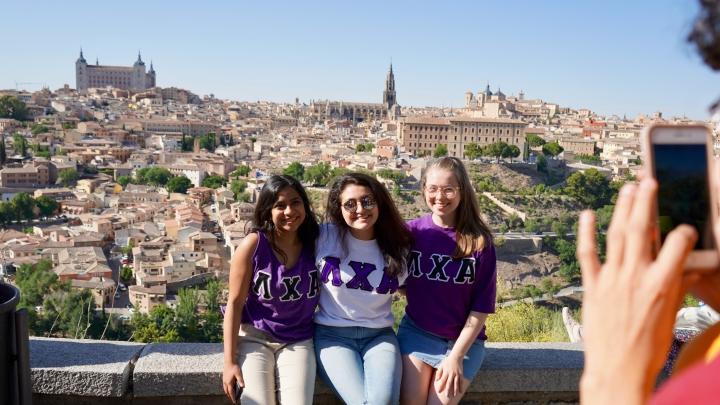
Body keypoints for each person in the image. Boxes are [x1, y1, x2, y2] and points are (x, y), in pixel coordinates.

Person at [398, 157, 497, 405]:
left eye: (448, 189)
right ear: (423, 190)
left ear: (462, 191)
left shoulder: (480, 242)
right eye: (433, 189)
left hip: (463, 344)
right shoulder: (411, 233)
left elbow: (481, 307)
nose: (440, 197)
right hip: (417, 334)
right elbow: (394, 279)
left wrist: (455, 356)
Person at [314, 172, 413, 405]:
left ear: (379, 202)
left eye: (367, 201)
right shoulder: (323, 237)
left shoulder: (400, 247)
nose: (360, 209)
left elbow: (414, 291)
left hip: (379, 336)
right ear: (339, 208)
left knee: (384, 400)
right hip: (332, 336)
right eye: (350, 204)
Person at [222, 175, 320, 405]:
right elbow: (234, 304)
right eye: (280, 205)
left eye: (296, 202)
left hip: (299, 339)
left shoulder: (317, 243)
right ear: (268, 210)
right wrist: (229, 362)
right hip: (255, 338)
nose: (289, 211)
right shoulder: (253, 245)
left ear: (305, 205)